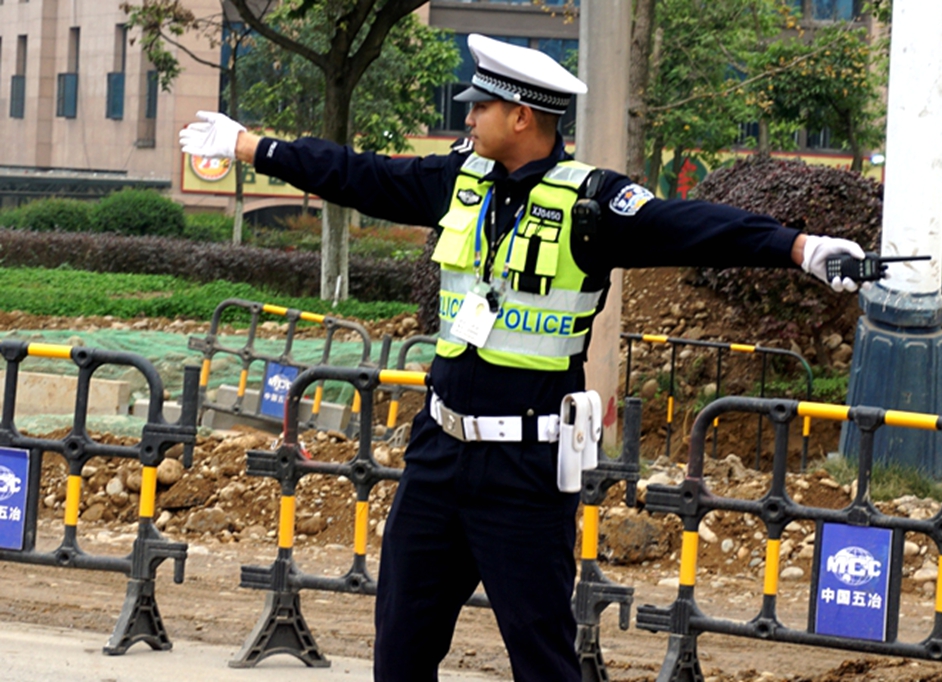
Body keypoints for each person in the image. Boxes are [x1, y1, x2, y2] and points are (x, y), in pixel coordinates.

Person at [180, 33, 865, 682]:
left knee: (540, 657)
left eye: (480, 107)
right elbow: (362, 177)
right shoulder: (460, 182)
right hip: (438, 455)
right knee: (401, 648)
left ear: (521, 116)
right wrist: (253, 147)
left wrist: (799, 249)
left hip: (525, 473)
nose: (468, 117)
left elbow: (691, 225)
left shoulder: (594, 203)